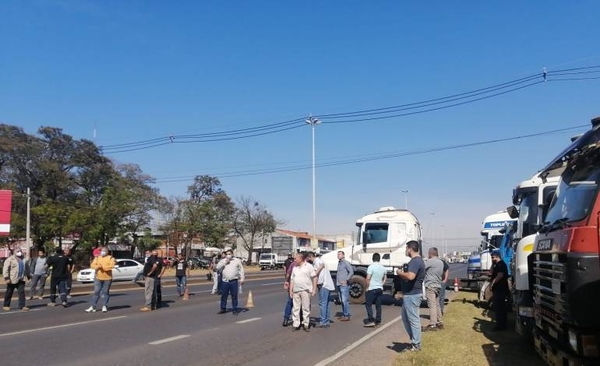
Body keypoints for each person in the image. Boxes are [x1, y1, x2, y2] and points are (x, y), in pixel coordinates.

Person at [395, 240, 426, 352]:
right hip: (410, 294)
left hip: (413, 295)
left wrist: (399, 273)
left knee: (413, 320)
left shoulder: (415, 261)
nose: (405, 250)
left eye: (406, 248)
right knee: (406, 318)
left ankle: (416, 344)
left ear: (410, 249)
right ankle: (414, 341)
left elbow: (411, 276)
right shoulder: (416, 261)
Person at [289, 252, 317, 332]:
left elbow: (314, 277)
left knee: (305, 308)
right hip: (296, 290)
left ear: (301, 259)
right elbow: (292, 280)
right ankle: (296, 324)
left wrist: (314, 289)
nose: (295, 260)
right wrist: (291, 290)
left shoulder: (309, 266)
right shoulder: (295, 268)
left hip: (306, 290)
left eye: (296, 258)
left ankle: (305, 324)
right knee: (296, 308)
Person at [308, 252, 335, 328]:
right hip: (327, 285)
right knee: (326, 303)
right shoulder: (320, 261)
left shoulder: (317, 262)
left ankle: (323, 321)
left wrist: (318, 284)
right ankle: (326, 320)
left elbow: (319, 274)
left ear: (310, 257)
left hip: (323, 285)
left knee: (323, 304)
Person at [85, 247, 116, 313]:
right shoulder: (98, 258)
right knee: (96, 292)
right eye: (102, 251)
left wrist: (103, 267)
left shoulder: (111, 258)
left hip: (107, 278)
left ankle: (104, 305)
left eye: (104, 251)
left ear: (107, 252)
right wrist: (97, 267)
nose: (102, 252)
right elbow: (92, 265)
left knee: (105, 292)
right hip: (98, 277)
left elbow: (111, 266)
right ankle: (93, 306)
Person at [217, 249, 245, 315]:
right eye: (227, 254)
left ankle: (235, 309)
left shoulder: (237, 261)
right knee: (224, 295)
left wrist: (242, 279)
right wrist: (225, 262)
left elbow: (241, 270)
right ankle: (223, 308)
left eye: (229, 254)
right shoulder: (223, 261)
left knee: (234, 296)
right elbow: (218, 267)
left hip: (234, 281)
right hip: (225, 281)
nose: (228, 255)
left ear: (232, 254)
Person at [423, 248, 444, 331]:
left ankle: (432, 324)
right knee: (437, 304)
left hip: (431, 285)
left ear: (430, 253)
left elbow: (422, 266)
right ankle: (440, 322)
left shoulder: (431, 261)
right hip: (438, 285)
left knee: (432, 305)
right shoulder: (441, 262)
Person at [364, 253, 386, 327]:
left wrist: (367, 287)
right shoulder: (383, 267)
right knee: (378, 305)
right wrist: (381, 284)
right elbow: (385, 278)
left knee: (368, 304)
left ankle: (371, 320)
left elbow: (368, 278)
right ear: (379, 259)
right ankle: (378, 320)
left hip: (372, 288)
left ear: (372, 259)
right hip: (379, 288)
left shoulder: (371, 267)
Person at [490, 250, 509, 331]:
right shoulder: (496, 265)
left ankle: (501, 325)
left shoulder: (501, 264)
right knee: (498, 307)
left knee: (499, 307)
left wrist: (493, 282)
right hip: (497, 289)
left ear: (497, 256)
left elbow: (500, 275)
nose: (492, 259)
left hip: (500, 289)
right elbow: (491, 272)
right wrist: (492, 264)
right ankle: (500, 324)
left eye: (493, 257)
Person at [336, 251, 354, 322]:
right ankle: (344, 314)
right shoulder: (339, 263)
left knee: (344, 300)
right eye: (338, 254)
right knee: (342, 301)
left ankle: (346, 315)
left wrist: (346, 279)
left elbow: (351, 271)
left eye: (340, 254)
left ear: (343, 255)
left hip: (344, 285)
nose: (338, 255)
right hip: (339, 284)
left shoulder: (346, 263)